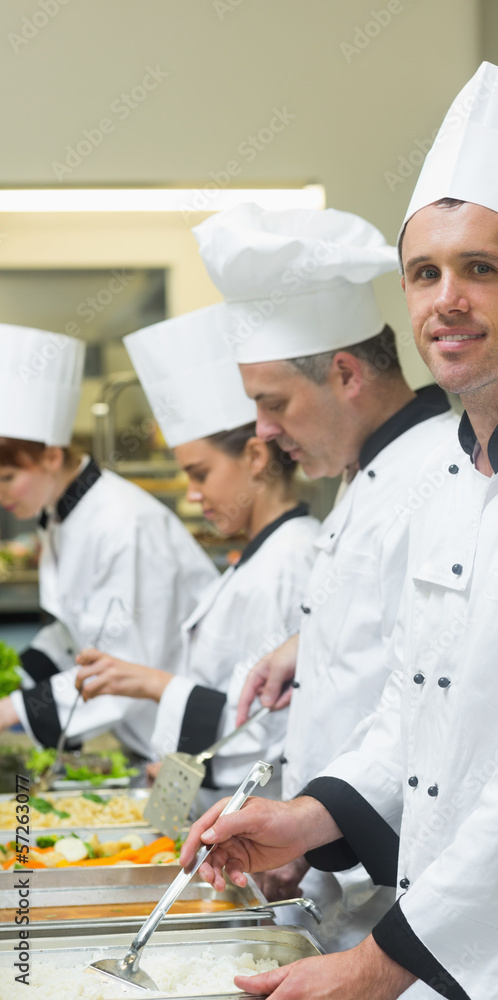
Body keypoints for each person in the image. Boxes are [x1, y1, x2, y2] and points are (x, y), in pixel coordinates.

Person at [181, 63, 498, 999]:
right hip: (450, 946)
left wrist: (374, 966)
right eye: (424, 272)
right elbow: (415, 704)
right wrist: (311, 816)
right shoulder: (451, 467)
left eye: (479, 269)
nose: (445, 299)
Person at [194, 203, 457, 946]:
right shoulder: (363, 470)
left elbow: (430, 701)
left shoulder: (435, 478)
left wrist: (313, 832)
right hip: (334, 875)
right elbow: (380, 637)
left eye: (271, 403)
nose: (263, 433)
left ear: (344, 373)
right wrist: (303, 645)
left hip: (391, 895)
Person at [75, 305, 319, 803]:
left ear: (254, 457)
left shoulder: (293, 559)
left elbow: (269, 731)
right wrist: (171, 780)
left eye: (200, 473)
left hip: (260, 825)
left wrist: (153, 684)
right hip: (216, 810)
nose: (191, 494)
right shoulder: (256, 558)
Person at [0, 324, 216, 756]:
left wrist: (13, 711)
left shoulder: (122, 523)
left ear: (52, 457)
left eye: (8, 477)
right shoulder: (62, 516)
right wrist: (20, 676)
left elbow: (122, 669)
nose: (1, 493)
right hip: (143, 736)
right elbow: (78, 631)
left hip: (185, 744)